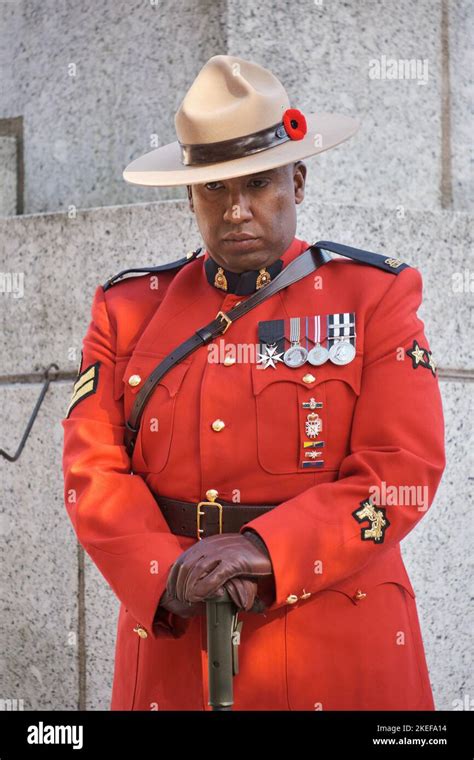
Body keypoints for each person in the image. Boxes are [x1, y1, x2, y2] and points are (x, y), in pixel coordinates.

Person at [61, 54, 446, 710]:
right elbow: (91, 470)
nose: (236, 210)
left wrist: (263, 550)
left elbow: (400, 469)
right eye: (214, 188)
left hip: (335, 634)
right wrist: (164, 575)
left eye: (259, 182)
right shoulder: (128, 309)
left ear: (297, 181)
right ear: (189, 194)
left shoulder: (372, 296)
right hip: (174, 641)